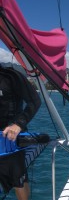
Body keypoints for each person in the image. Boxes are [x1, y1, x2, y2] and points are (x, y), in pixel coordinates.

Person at [0, 66, 41, 200]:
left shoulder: (11, 76)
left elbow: (35, 101)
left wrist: (18, 124)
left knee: (18, 181)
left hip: (11, 140)